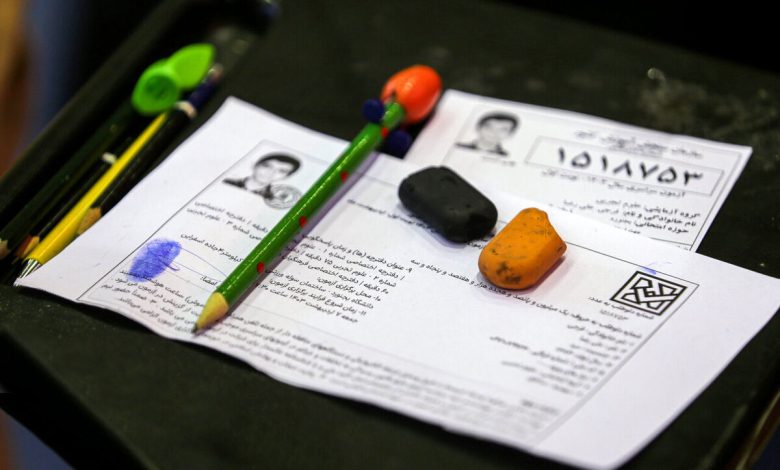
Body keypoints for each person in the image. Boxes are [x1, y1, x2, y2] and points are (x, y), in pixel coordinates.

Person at [224, 153, 302, 209]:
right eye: (267, 166)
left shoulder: (273, 199)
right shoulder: (226, 182)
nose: (271, 173)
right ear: (254, 165)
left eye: (281, 171)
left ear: (286, 176)